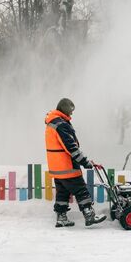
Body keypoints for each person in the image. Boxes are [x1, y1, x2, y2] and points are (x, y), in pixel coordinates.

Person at [45, 98, 106, 228]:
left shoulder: (52, 123)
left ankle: (61, 218)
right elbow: (71, 147)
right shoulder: (61, 125)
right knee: (81, 190)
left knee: (63, 192)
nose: (71, 114)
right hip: (67, 166)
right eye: (70, 111)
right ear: (65, 109)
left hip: (57, 167)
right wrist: (84, 162)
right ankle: (89, 215)